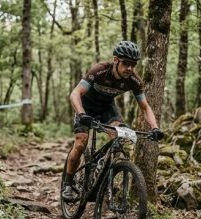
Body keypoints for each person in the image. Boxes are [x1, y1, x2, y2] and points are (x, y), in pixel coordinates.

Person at [61, 40, 164, 201]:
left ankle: (105, 177)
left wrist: (155, 128)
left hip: (107, 108)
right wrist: (81, 114)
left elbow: (145, 107)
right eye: (126, 63)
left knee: (118, 137)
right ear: (116, 60)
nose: (130, 68)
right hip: (86, 107)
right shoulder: (100, 70)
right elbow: (75, 94)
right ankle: (67, 183)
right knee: (81, 143)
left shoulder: (134, 80)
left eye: (133, 64)